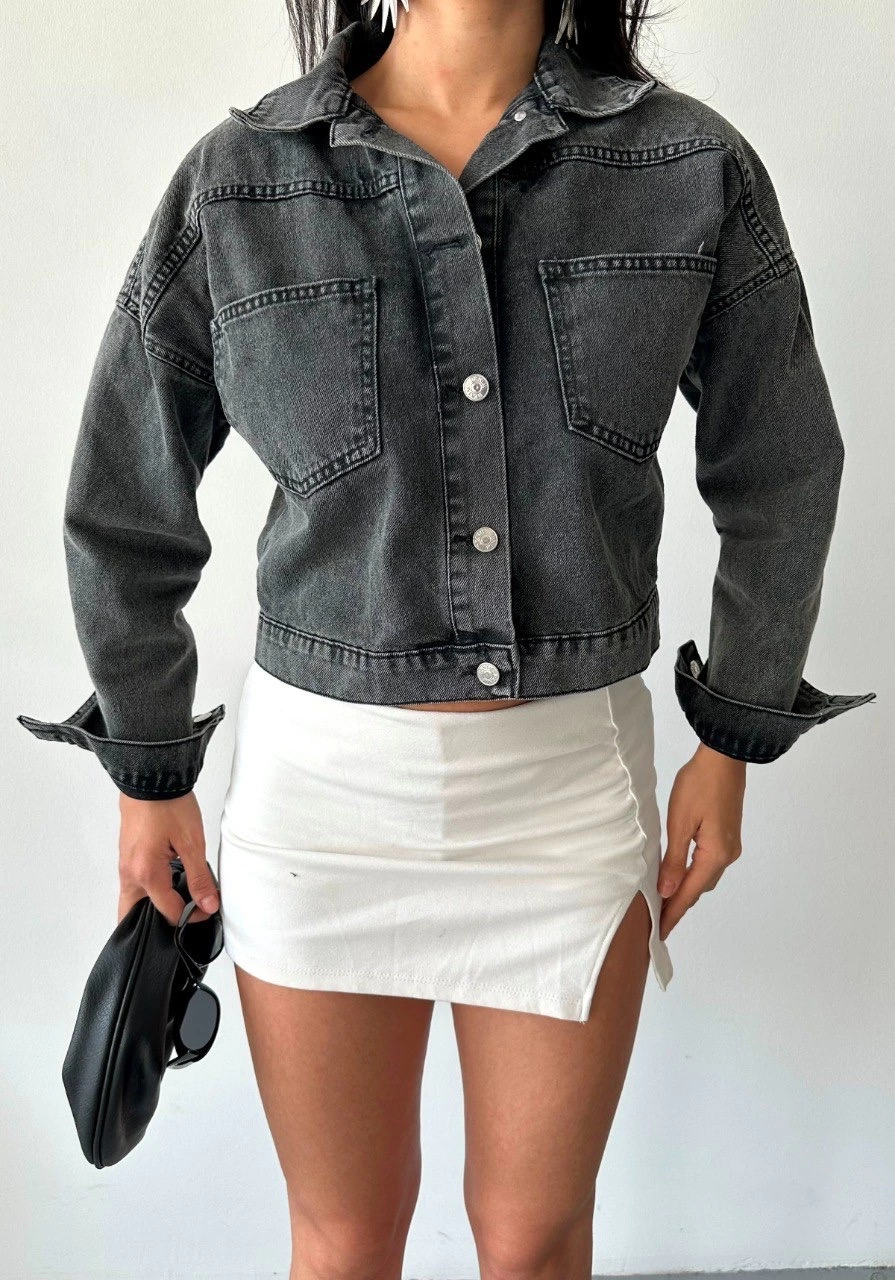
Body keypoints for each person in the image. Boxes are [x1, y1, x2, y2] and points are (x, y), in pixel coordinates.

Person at [18, 0, 875, 1274]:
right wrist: (151, 773)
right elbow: (123, 500)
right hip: (320, 806)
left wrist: (732, 738)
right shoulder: (239, 182)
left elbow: (782, 466)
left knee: (531, 1242)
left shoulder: (690, 167)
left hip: (565, 797)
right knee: (343, 1240)